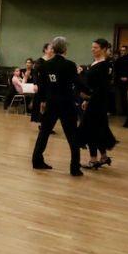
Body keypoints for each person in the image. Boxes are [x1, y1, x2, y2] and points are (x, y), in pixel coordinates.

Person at [31, 37, 83, 176]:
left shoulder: (46, 65)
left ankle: (36, 161)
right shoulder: (70, 65)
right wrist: (89, 90)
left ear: (53, 49)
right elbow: (77, 82)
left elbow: (42, 86)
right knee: (72, 136)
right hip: (67, 104)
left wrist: (42, 101)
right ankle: (74, 168)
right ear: (65, 49)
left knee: (44, 133)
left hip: (51, 103)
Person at [77, 39, 118, 169]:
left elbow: (101, 87)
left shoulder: (105, 65)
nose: (92, 49)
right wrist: (86, 99)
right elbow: (91, 84)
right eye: (92, 47)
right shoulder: (96, 63)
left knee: (90, 129)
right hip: (93, 100)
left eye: (96, 47)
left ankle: (93, 160)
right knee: (98, 128)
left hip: (98, 102)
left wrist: (89, 99)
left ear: (104, 49)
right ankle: (104, 157)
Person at [30, 43, 52, 123]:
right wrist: (35, 84)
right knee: (41, 104)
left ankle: (46, 124)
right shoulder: (40, 61)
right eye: (51, 48)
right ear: (45, 50)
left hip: (50, 85)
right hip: (42, 85)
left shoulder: (53, 60)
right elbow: (35, 73)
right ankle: (42, 123)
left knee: (49, 105)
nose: (52, 50)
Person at [113, 45, 128, 116]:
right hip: (120, 80)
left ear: (127, 50)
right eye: (121, 50)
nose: (122, 52)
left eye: (123, 50)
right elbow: (116, 71)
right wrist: (120, 78)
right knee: (121, 96)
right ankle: (122, 111)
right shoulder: (118, 60)